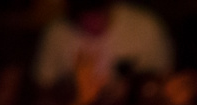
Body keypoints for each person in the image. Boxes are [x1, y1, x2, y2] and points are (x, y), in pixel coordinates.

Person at [33, 0, 174, 89]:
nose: (92, 22)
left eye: (97, 14)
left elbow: (164, 74)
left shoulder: (145, 26)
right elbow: (43, 83)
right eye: (84, 16)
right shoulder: (56, 33)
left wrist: (133, 86)